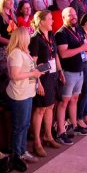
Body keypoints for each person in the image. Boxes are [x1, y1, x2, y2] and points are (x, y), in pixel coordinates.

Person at [6, 27, 43, 169]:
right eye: (27, 36)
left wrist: (36, 70)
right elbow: (14, 76)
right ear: (22, 38)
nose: (29, 38)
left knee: (25, 124)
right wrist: (33, 73)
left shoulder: (24, 52)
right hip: (19, 94)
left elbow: (27, 70)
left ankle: (22, 151)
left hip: (27, 92)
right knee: (19, 126)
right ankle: (17, 155)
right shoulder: (16, 53)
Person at [29, 10, 64, 154]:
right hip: (42, 78)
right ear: (41, 21)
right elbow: (33, 63)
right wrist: (38, 82)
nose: (52, 21)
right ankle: (37, 142)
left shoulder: (51, 35)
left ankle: (48, 136)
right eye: (50, 19)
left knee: (50, 106)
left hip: (53, 75)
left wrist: (60, 71)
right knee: (40, 109)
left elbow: (55, 56)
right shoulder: (35, 39)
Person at [54, 7, 87, 144]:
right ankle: (61, 132)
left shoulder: (79, 30)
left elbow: (83, 48)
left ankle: (75, 126)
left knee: (74, 99)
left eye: (75, 14)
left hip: (79, 69)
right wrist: (82, 48)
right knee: (64, 102)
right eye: (70, 15)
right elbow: (63, 54)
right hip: (68, 72)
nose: (74, 17)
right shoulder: (61, 33)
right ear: (63, 17)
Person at [0, 0, 16, 74]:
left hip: (12, 50)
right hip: (3, 52)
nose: (12, 2)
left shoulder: (12, 16)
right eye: (9, 0)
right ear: (3, 1)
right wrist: (12, 42)